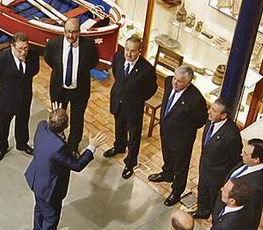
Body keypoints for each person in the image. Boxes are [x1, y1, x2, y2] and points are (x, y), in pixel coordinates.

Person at [24, 108, 106, 230]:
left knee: (39, 207)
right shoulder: (58, 147)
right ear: (66, 126)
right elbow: (76, 165)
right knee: (51, 218)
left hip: (36, 179)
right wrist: (91, 147)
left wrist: (55, 112)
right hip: (50, 189)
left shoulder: (41, 126)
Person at [147, 64, 208, 206]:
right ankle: (167, 173)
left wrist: (183, 128)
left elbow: (200, 121)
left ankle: (177, 191)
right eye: (175, 78)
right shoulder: (168, 82)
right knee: (167, 154)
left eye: (179, 81)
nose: (175, 82)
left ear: (188, 82)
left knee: (181, 165)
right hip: (166, 130)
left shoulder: (196, 99)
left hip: (182, 138)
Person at [43, 17, 99, 154]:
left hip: (79, 91)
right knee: (57, 119)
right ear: (63, 31)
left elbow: (93, 61)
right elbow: (49, 60)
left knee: (77, 119)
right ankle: (57, 144)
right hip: (59, 90)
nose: (70, 35)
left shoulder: (89, 46)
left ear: (79, 32)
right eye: (67, 31)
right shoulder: (53, 45)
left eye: (74, 32)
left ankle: (73, 147)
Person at [104, 34, 157, 178]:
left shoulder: (147, 69)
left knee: (134, 136)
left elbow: (152, 88)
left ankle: (130, 163)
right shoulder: (119, 57)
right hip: (118, 101)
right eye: (127, 49)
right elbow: (116, 74)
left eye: (133, 51)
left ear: (139, 51)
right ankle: (119, 147)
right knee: (119, 127)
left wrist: (138, 98)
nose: (128, 53)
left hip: (134, 107)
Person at [0, 32, 39, 162]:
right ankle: (1, 147)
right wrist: (6, 86)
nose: (23, 52)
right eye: (20, 49)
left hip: (24, 98)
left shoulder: (33, 55)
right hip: (6, 99)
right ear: (12, 47)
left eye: (25, 48)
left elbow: (34, 71)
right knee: (2, 125)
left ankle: (22, 144)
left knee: (22, 122)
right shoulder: (1, 59)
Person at [194, 98, 242, 219]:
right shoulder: (210, 121)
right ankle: (202, 211)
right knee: (203, 190)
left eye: (214, 111)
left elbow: (234, 159)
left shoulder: (232, 135)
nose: (209, 112)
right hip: (205, 167)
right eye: (210, 108)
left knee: (215, 198)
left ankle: (215, 218)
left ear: (223, 115)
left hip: (217, 175)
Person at [215, 138, 263, 224]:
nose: (241, 154)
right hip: (222, 204)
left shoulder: (257, 187)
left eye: (245, 154)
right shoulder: (248, 162)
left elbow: (245, 212)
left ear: (256, 159)